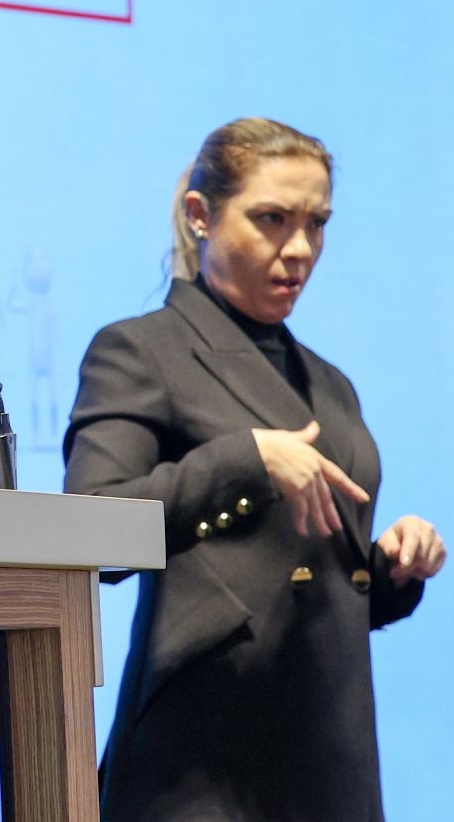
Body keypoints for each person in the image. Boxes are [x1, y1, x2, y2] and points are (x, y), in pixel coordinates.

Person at [64, 118, 444, 821]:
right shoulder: (140, 351)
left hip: (331, 765)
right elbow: (90, 530)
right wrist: (246, 460)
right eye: (272, 219)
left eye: (316, 224)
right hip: (200, 773)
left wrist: (392, 566)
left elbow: (323, 584)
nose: (299, 248)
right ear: (200, 215)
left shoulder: (330, 384)